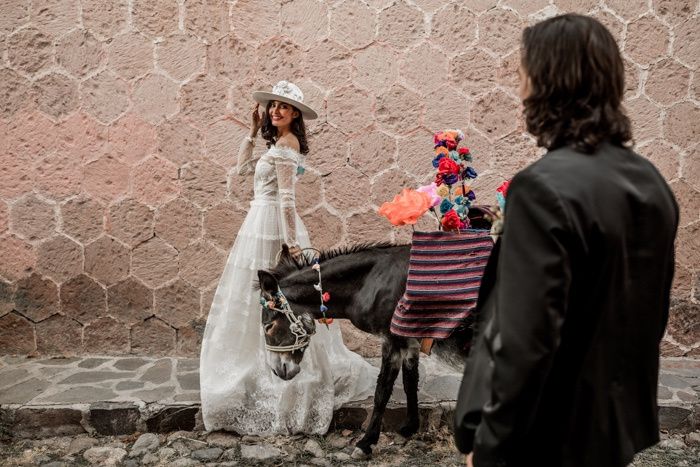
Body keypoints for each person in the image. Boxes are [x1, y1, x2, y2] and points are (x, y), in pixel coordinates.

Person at [454, 14, 678, 467]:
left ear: (549, 83)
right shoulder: (652, 184)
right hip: (613, 434)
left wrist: (492, 444)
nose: (519, 94)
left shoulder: (542, 189)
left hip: (544, 439)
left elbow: (524, 342)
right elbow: (647, 320)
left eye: (523, 77)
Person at [200, 81, 378, 435]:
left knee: (282, 297)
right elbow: (241, 171)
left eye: (283, 107)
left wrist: (292, 246)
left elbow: (286, 199)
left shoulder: (289, 143)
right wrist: (251, 132)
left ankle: (287, 365)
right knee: (259, 298)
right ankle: (258, 357)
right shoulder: (274, 143)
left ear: (295, 114)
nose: (275, 111)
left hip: (275, 227)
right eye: (272, 106)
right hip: (258, 222)